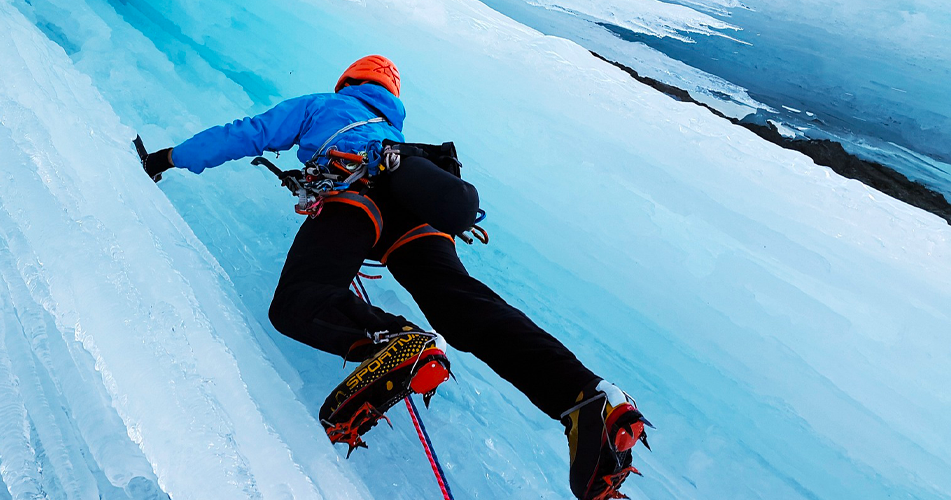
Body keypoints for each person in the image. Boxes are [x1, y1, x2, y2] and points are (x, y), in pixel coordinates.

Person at [138, 55, 650, 500]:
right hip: (416, 213)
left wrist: (166, 159)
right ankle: (587, 397)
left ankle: (396, 340)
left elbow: (246, 133)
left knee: (299, 299)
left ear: (348, 84)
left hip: (358, 199)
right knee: (464, 306)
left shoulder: (324, 106)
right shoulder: (398, 138)